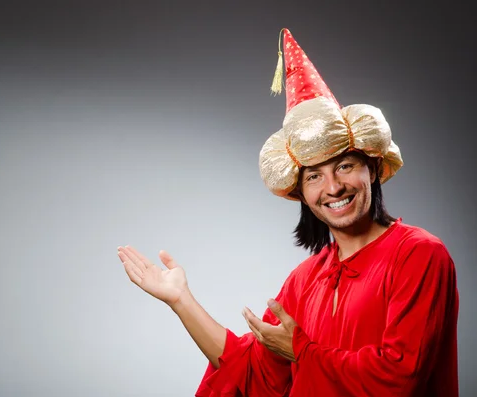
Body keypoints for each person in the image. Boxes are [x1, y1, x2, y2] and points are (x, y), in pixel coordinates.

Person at [117, 28, 459, 397]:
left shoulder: (419, 254)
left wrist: (303, 352)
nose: (332, 187)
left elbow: (400, 376)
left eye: (344, 166)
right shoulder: (304, 280)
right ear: (301, 193)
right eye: (314, 175)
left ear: (372, 169)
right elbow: (254, 372)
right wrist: (180, 300)